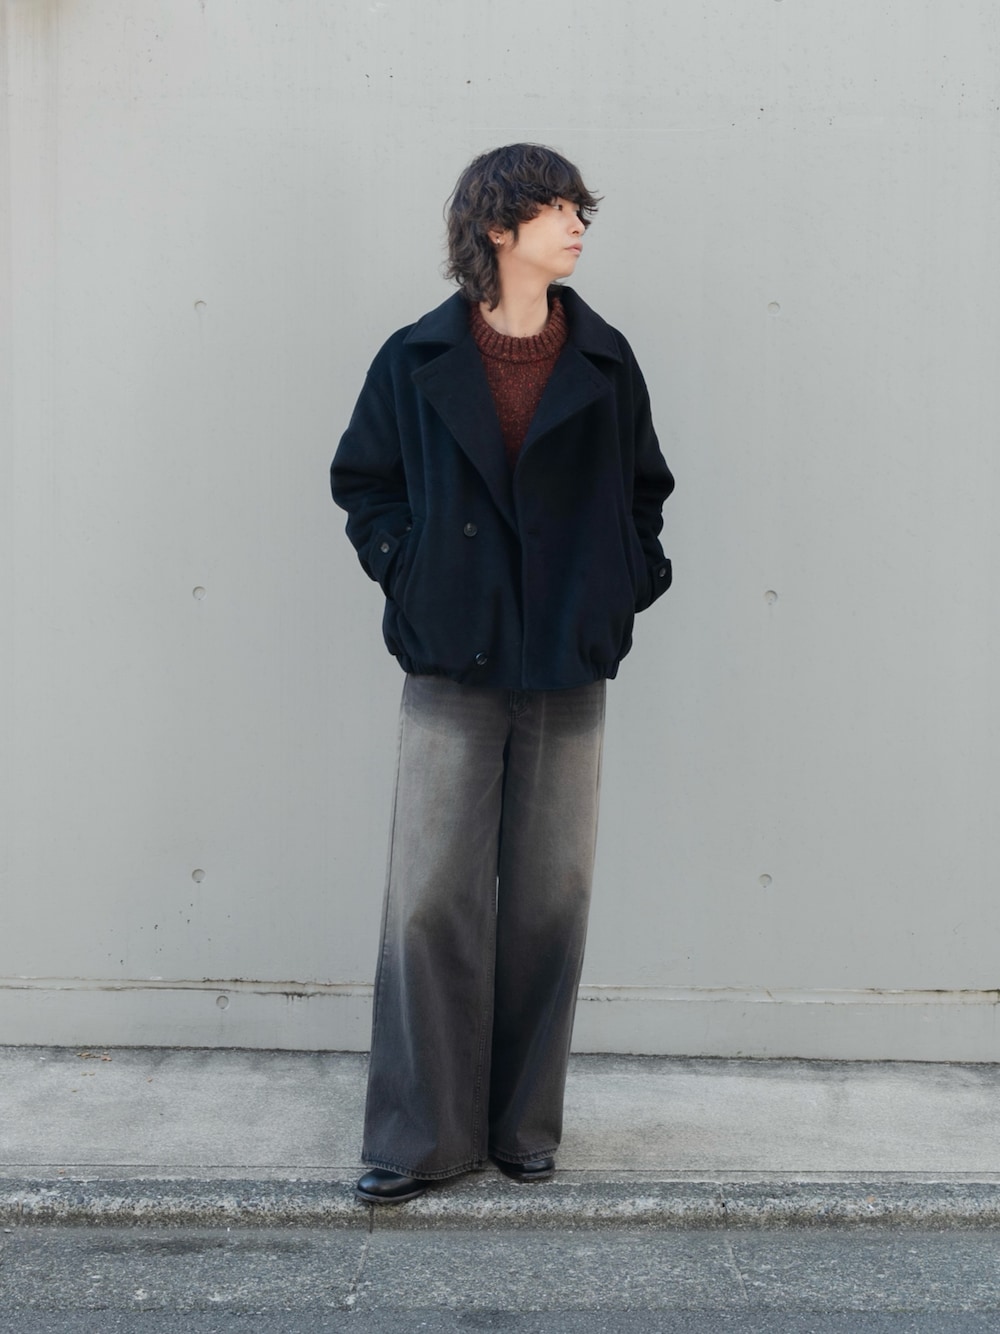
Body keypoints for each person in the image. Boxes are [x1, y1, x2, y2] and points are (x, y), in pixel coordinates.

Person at [330, 143, 674, 1204]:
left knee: (548, 902)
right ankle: (421, 1137)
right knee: (430, 899)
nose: (576, 225)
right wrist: (413, 572)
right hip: (452, 656)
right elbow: (365, 482)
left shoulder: (604, 360)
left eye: (580, 208)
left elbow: (646, 490)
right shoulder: (414, 358)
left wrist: (625, 581)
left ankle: (523, 1126)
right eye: (556, 207)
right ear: (496, 225)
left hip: (567, 660)